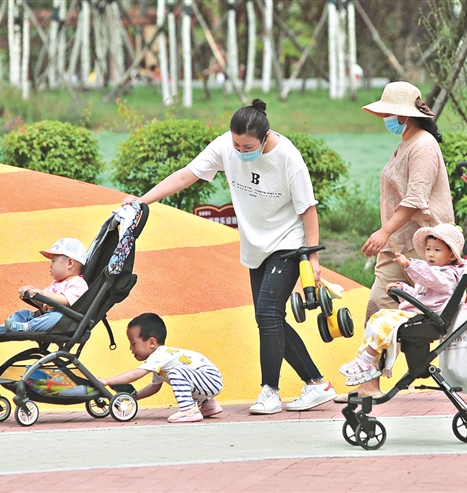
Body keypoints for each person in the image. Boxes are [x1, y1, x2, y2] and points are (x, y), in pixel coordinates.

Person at [121, 99, 336, 415]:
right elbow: (185, 175)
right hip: (255, 246)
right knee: (270, 318)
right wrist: (143, 201)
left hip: (289, 243)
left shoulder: (288, 156)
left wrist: (313, 259)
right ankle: (317, 384)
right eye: (235, 143)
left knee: (267, 315)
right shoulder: (226, 146)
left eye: (247, 145)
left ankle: (270, 391)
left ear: (264, 138)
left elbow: (308, 208)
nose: (239, 150)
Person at [336, 81, 467, 403]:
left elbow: (416, 198)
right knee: (381, 304)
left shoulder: (423, 146)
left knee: (440, 315)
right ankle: (369, 383)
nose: (386, 118)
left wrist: (384, 232)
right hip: (401, 246)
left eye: (390, 112)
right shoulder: (407, 142)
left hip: (430, 245)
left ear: (405, 116)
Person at [340, 223, 464, 385]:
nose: (430, 254)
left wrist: (409, 265)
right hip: (419, 314)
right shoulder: (433, 271)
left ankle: (365, 361)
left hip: (428, 319)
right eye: (428, 249)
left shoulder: (447, 276)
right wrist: (402, 288)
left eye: (437, 250)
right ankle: (365, 361)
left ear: (452, 255)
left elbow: (430, 278)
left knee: (384, 323)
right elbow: (419, 295)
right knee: (377, 317)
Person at [98, 313, 224, 423]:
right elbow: (154, 387)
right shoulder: (161, 362)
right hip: (207, 381)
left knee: (176, 374)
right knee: (180, 376)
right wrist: (134, 397)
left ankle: (188, 410)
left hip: (210, 378)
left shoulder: (160, 354)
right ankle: (209, 405)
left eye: (133, 343)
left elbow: (135, 374)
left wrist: (108, 381)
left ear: (152, 342)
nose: (130, 348)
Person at [0, 238, 89, 339]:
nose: (50, 266)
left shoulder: (78, 284)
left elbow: (66, 300)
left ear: (70, 263)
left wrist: (44, 294)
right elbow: (43, 303)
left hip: (62, 323)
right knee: (22, 313)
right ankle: (6, 327)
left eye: (53, 261)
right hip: (42, 316)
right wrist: (32, 293)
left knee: (55, 318)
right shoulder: (57, 283)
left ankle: (24, 327)